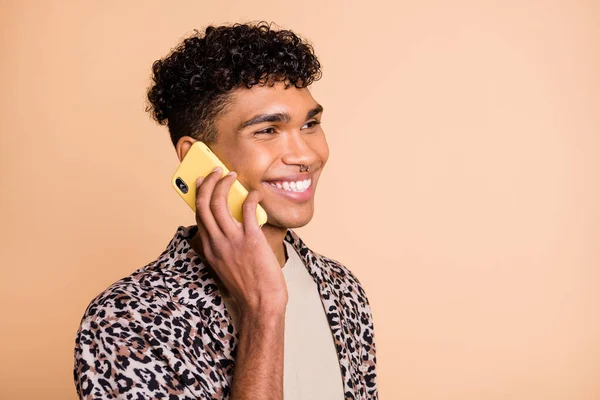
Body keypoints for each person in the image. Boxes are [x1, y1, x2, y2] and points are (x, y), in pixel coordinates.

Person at [73, 21, 377, 400]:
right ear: (196, 158)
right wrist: (263, 311)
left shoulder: (341, 289)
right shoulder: (130, 320)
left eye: (310, 124)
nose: (306, 155)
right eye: (267, 130)